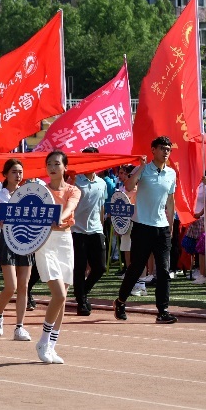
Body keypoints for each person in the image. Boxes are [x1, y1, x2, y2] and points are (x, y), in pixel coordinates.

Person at [115, 137, 179, 324]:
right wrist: (141, 167)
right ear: (153, 150)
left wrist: (171, 224)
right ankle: (120, 301)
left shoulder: (171, 173)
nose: (166, 152)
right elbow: (128, 186)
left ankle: (163, 310)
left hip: (162, 227)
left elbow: (170, 200)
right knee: (136, 268)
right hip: (142, 225)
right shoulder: (142, 169)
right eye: (162, 148)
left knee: (164, 270)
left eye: (168, 149)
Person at [33, 150, 81, 364]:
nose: (52, 168)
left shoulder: (73, 190)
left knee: (63, 298)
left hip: (65, 240)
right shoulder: (40, 191)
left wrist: (59, 217)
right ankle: (43, 341)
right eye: (49, 164)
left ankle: (52, 345)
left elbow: (70, 207)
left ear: (65, 167)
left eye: (57, 164)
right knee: (59, 295)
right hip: (44, 241)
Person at [0, 159, 34, 343]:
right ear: (6, 174)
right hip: (6, 243)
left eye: (20, 172)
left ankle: (20, 327)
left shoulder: (28, 196)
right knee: (11, 286)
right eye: (14, 172)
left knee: (24, 286)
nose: (18, 175)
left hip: (26, 243)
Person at [71, 148, 110, 315]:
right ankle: (81, 302)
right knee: (79, 268)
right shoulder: (75, 181)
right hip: (77, 230)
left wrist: (101, 227)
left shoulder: (102, 183)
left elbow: (101, 206)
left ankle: (82, 292)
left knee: (100, 267)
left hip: (96, 230)